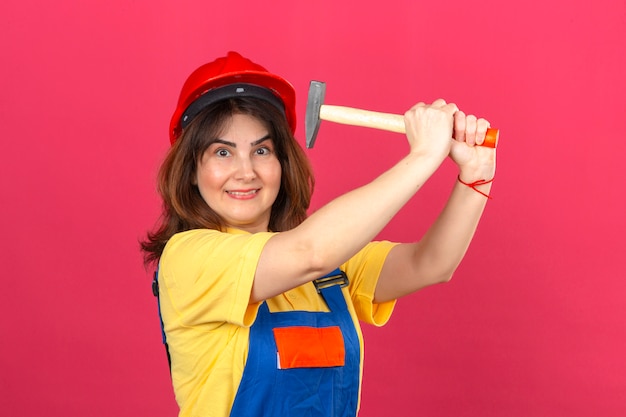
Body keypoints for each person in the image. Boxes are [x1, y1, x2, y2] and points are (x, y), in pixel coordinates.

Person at [142, 51, 496, 417]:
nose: (245, 172)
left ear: (283, 164)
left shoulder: (326, 268)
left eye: (262, 150)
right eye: (222, 152)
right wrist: (424, 156)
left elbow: (431, 264)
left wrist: (476, 176)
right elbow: (309, 253)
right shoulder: (188, 258)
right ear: (190, 172)